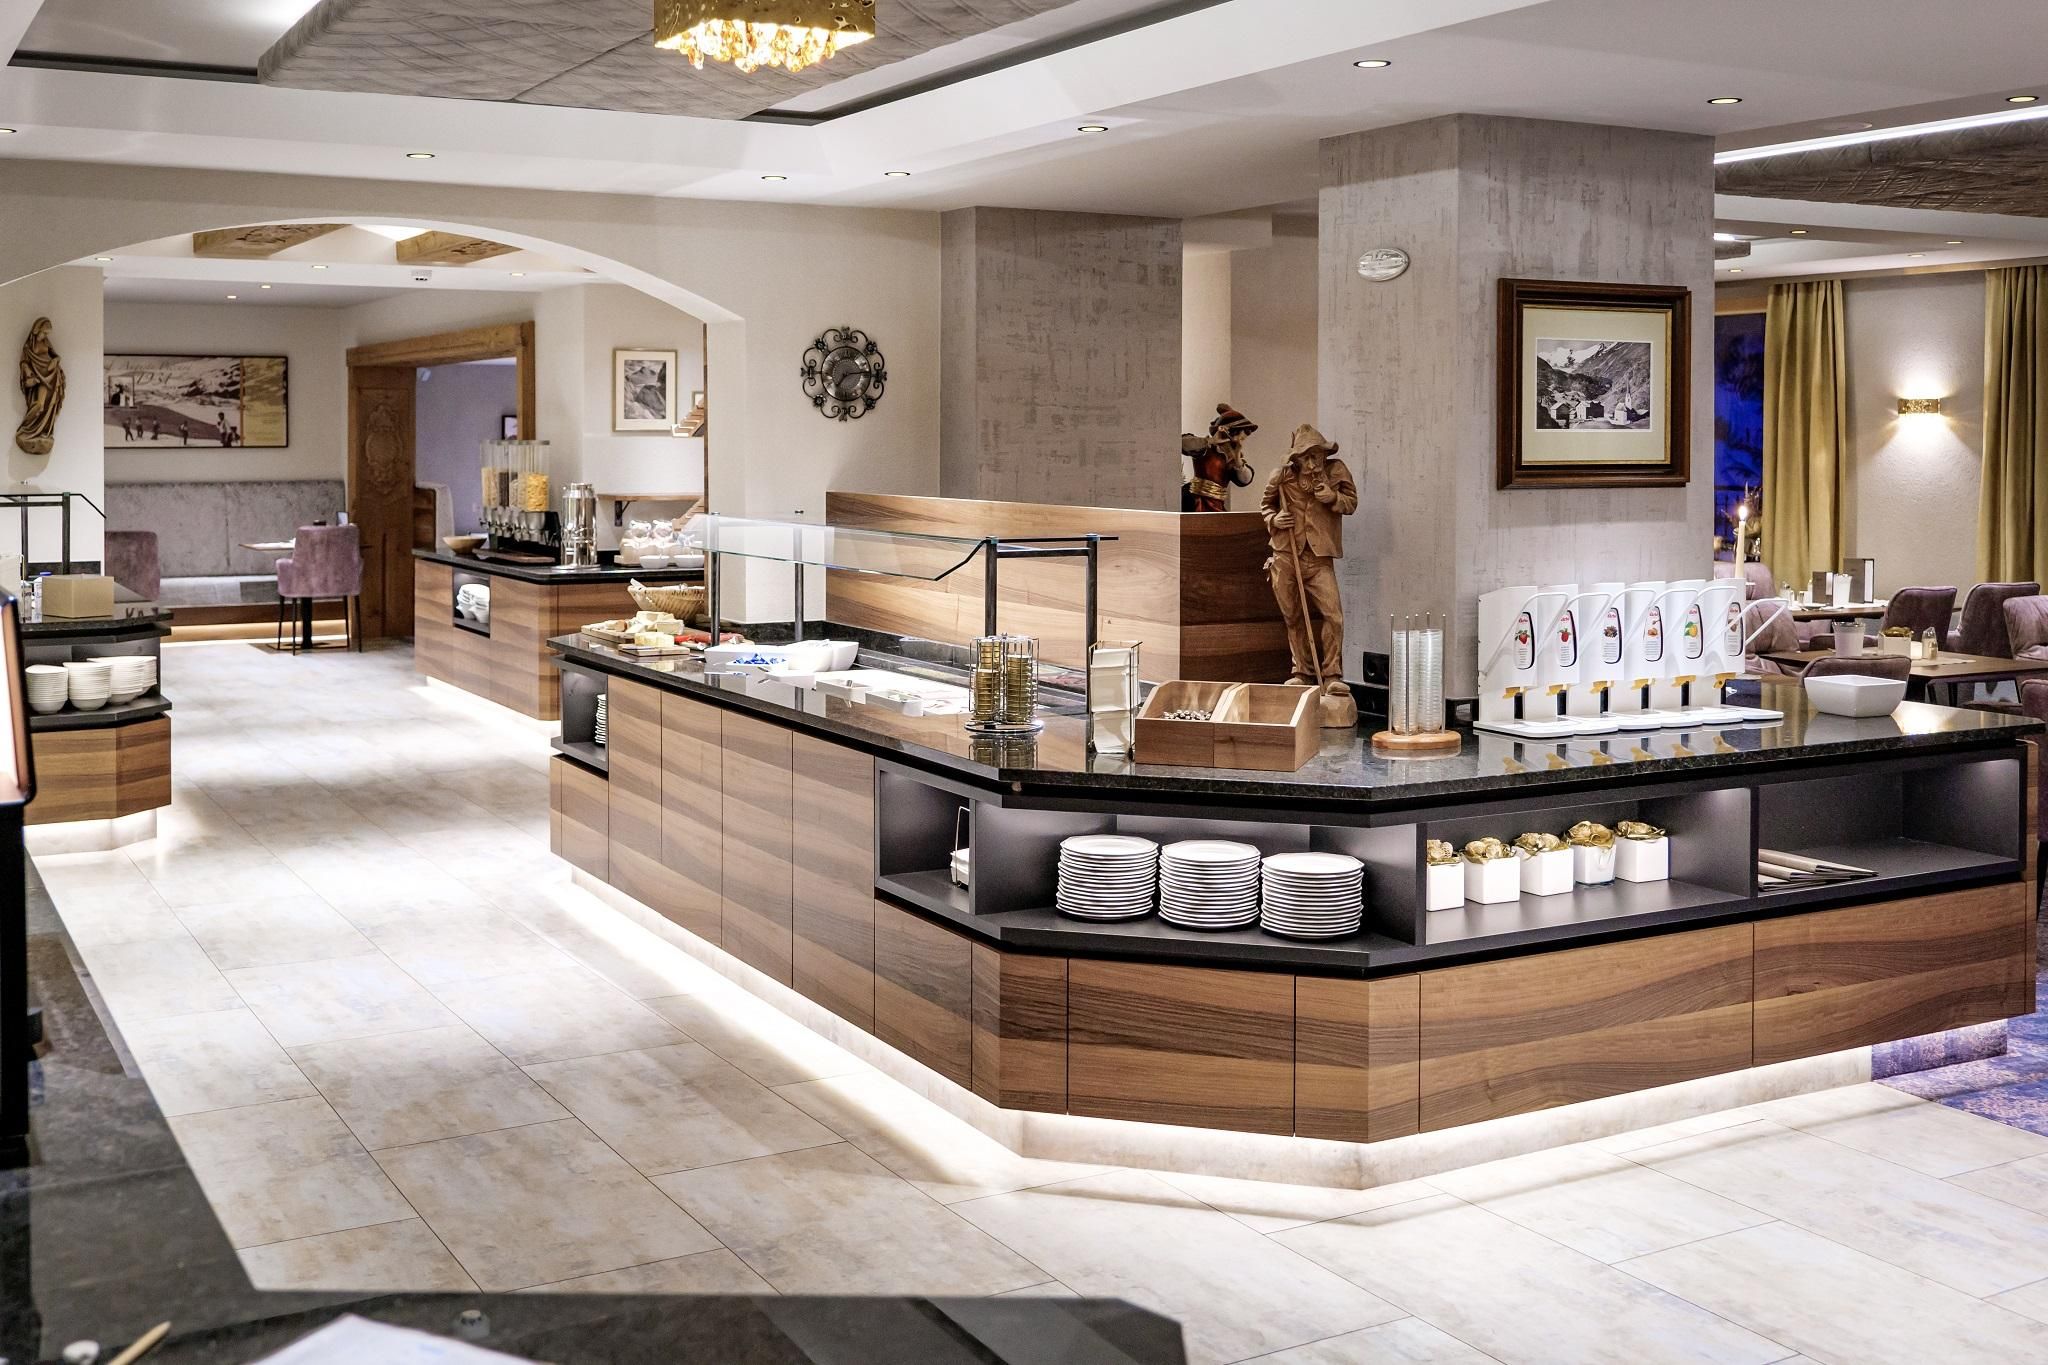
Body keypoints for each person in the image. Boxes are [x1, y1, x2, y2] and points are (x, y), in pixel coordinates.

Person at [1260, 424, 1357, 686]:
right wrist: (1274, 519)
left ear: (1324, 455)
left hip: (1319, 557)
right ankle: (1301, 672)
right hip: (1286, 554)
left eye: (1316, 456)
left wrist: (1333, 497)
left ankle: (1332, 674)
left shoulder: (1336, 472)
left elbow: (1351, 503)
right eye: (1306, 458)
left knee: (1334, 615)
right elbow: (1266, 506)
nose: (1312, 464)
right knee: (1292, 616)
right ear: (1297, 460)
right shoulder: (1282, 476)